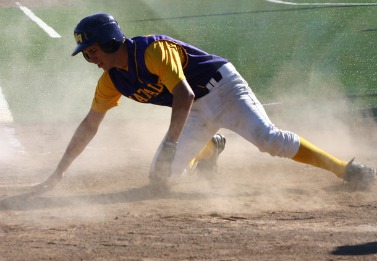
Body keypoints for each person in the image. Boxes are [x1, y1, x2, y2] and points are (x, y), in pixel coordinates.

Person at [36, 13, 375, 193]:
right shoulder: (111, 81)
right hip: (196, 110)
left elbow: (183, 93)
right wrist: (58, 172)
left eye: (92, 50)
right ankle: (210, 147)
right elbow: (89, 125)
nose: (90, 58)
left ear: (110, 42)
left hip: (224, 88)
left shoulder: (152, 52)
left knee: (269, 140)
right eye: (87, 54)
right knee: (161, 181)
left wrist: (171, 141)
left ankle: (345, 170)